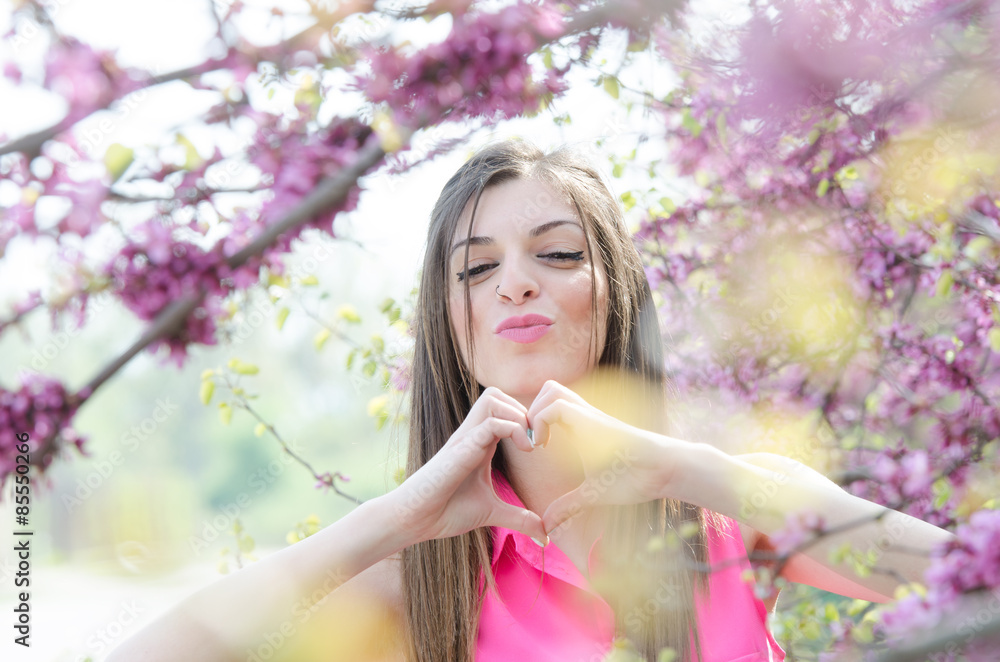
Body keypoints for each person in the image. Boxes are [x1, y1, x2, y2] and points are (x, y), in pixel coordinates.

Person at [107, 139, 954, 662]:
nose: (513, 284)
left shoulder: (729, 510)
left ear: (613, 295)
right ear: (452, 323)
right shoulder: (424, 578)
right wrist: (394, 521)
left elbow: (970, 580)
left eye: (555, 255)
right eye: (476, 268)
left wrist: (685, 468)